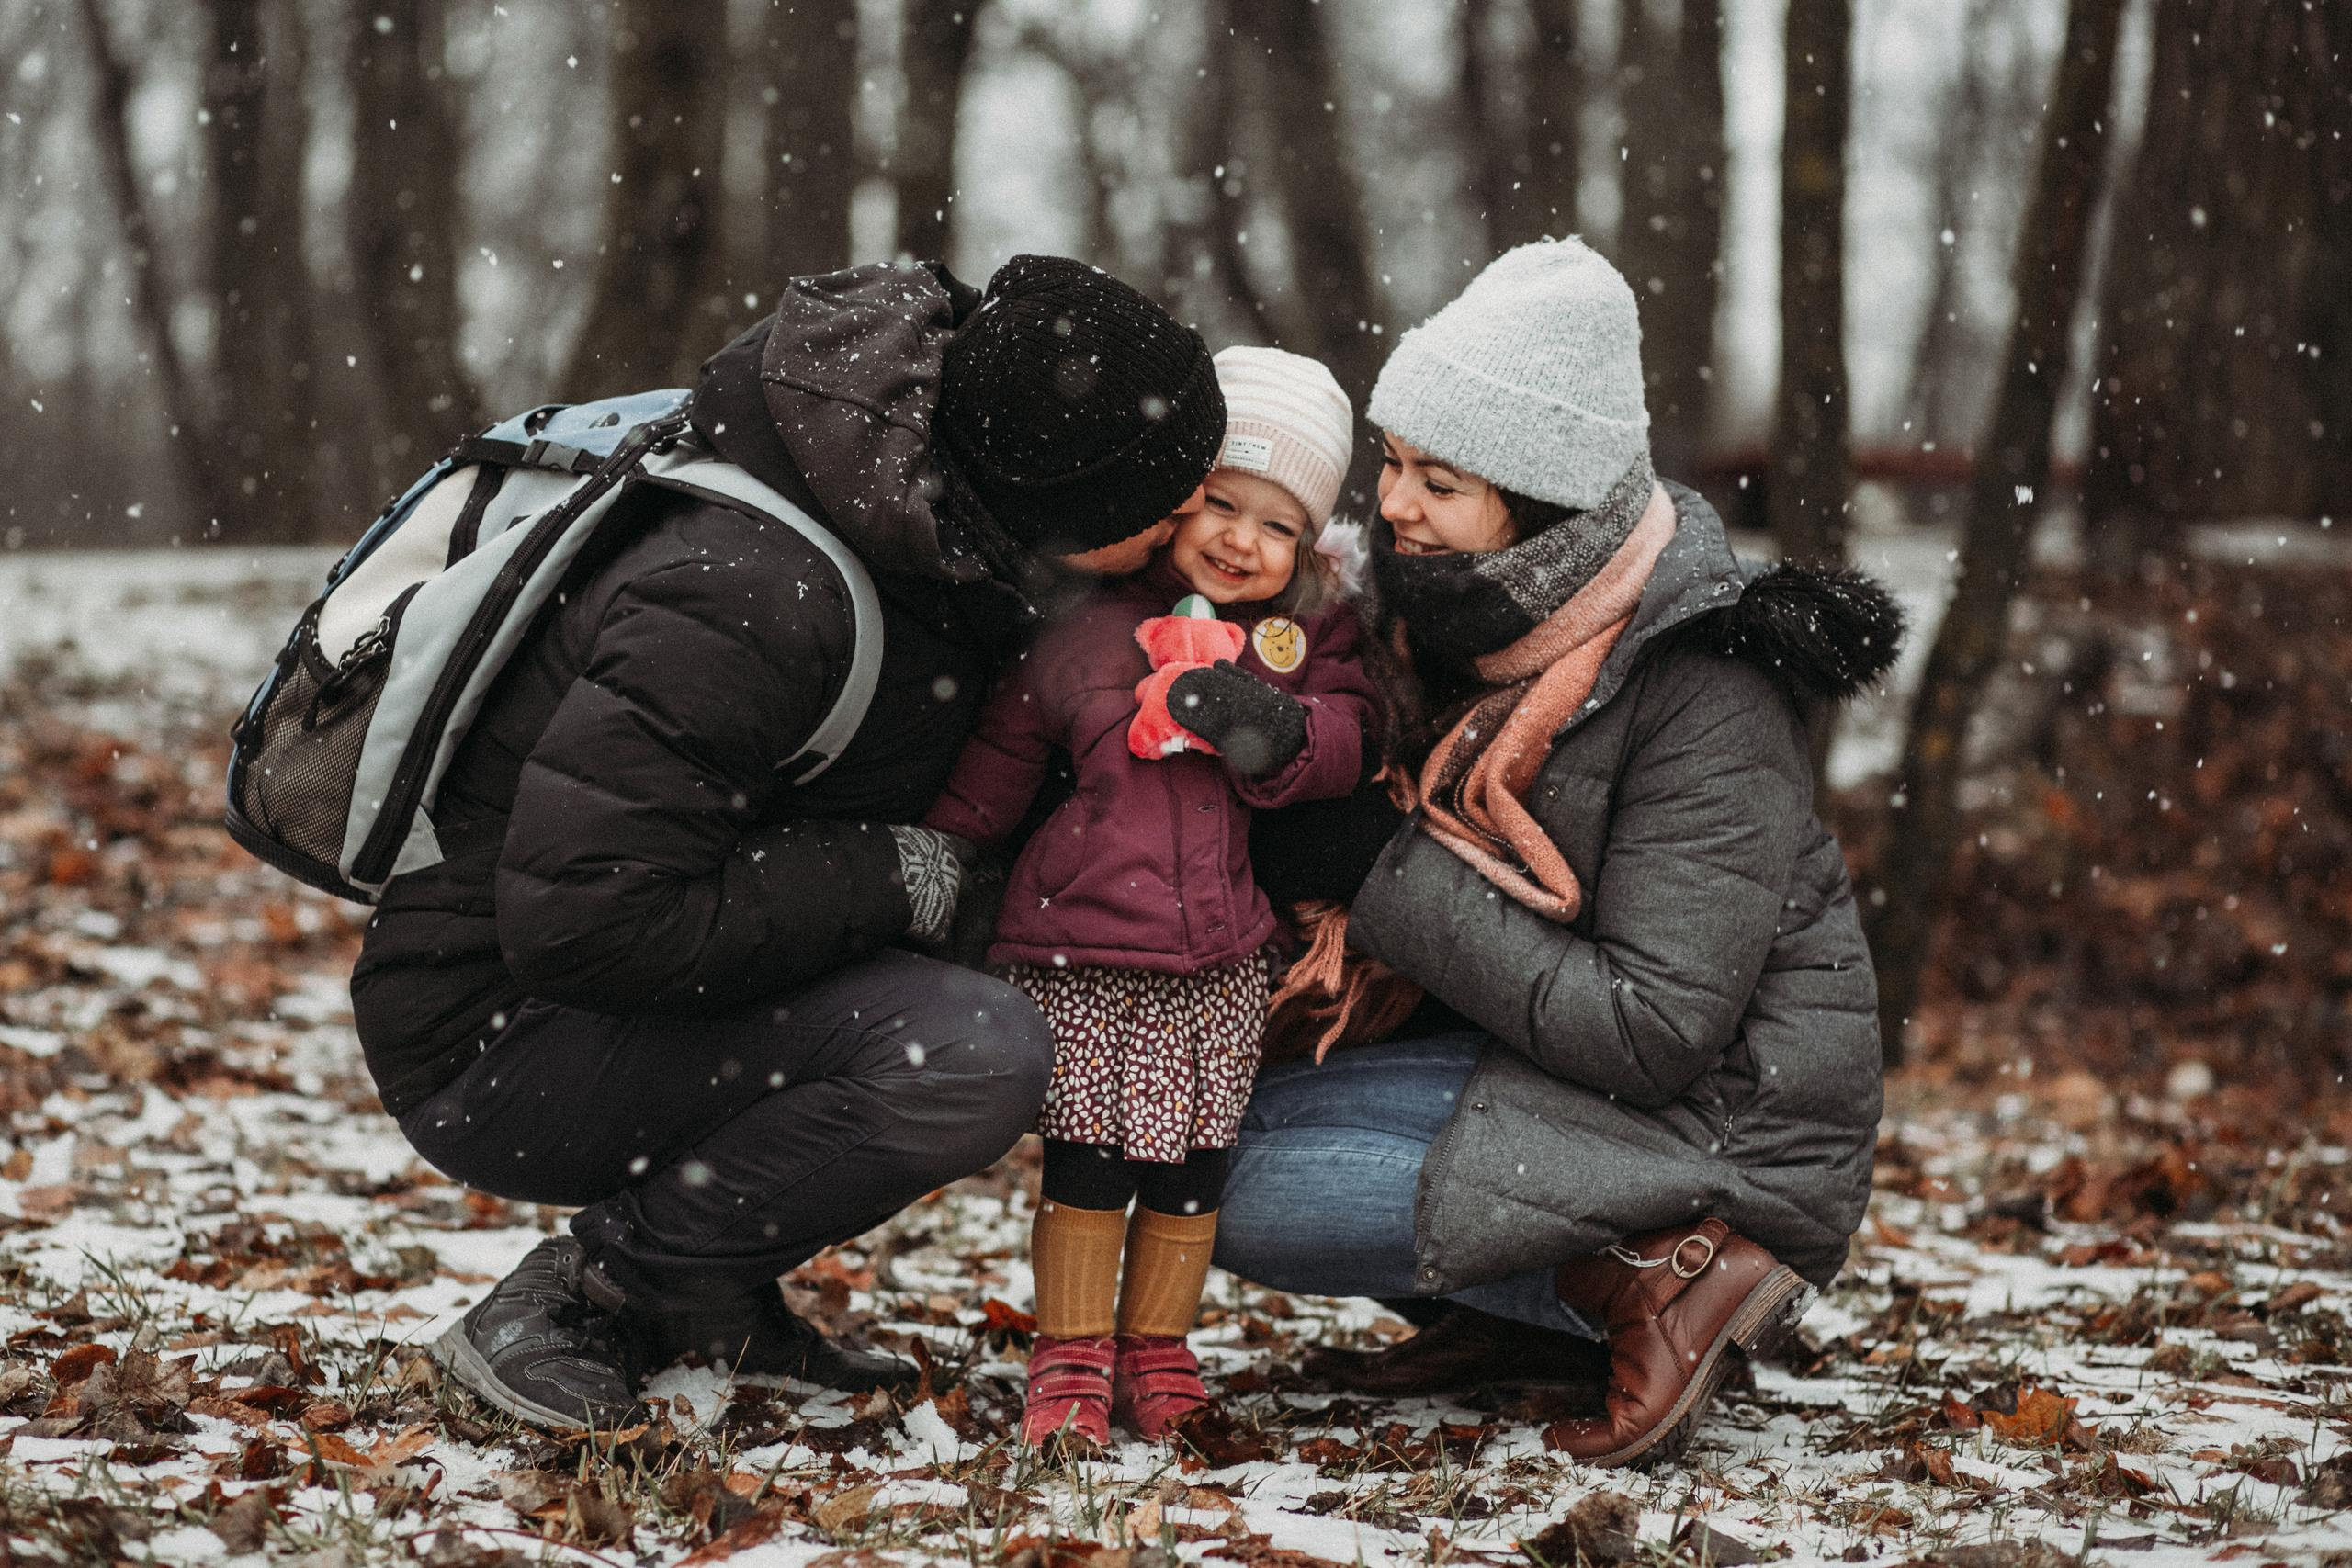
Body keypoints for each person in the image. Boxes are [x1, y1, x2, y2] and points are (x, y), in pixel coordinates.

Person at [350, 255, 1227, 1431]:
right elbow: (587, 919)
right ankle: (589, 1295)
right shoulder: (751, 594)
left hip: (643, 985)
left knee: (1023, 960)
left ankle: (705, 1295)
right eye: (1166, 513)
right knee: (968, 1051)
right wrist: (894, 877)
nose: (1193, 535)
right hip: (493, 1035)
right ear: (1062, 509)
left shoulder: (940, 533)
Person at [1215, 240, 1905, 1469]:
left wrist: (1377, 870)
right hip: (1570, 1074)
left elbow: (1652, 1025)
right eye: (1393, 463)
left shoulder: (1705, 681)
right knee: (1197, 1112)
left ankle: (1660, 1272)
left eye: (1440, 479)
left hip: (1726, 1130)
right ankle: (1522, 1320)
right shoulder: (1454, 624)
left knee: (1233, 1180)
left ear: (1535, 505)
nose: (1394, 506)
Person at [922, 347, 1378, 1449]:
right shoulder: (1079, 628)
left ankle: (1161, 1356)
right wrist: (937, 859)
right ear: (1176, 501)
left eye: (1277, 525)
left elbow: (1356, 737)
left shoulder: (1303, 643)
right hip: (1079, 944)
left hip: (1219, 956)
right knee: (1088, 1159)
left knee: (1191, 1164)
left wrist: (1276, 729)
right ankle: (1070, 1357)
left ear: (1308, 547)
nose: (1240, 540)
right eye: (1222, 504)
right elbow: (998, 759)